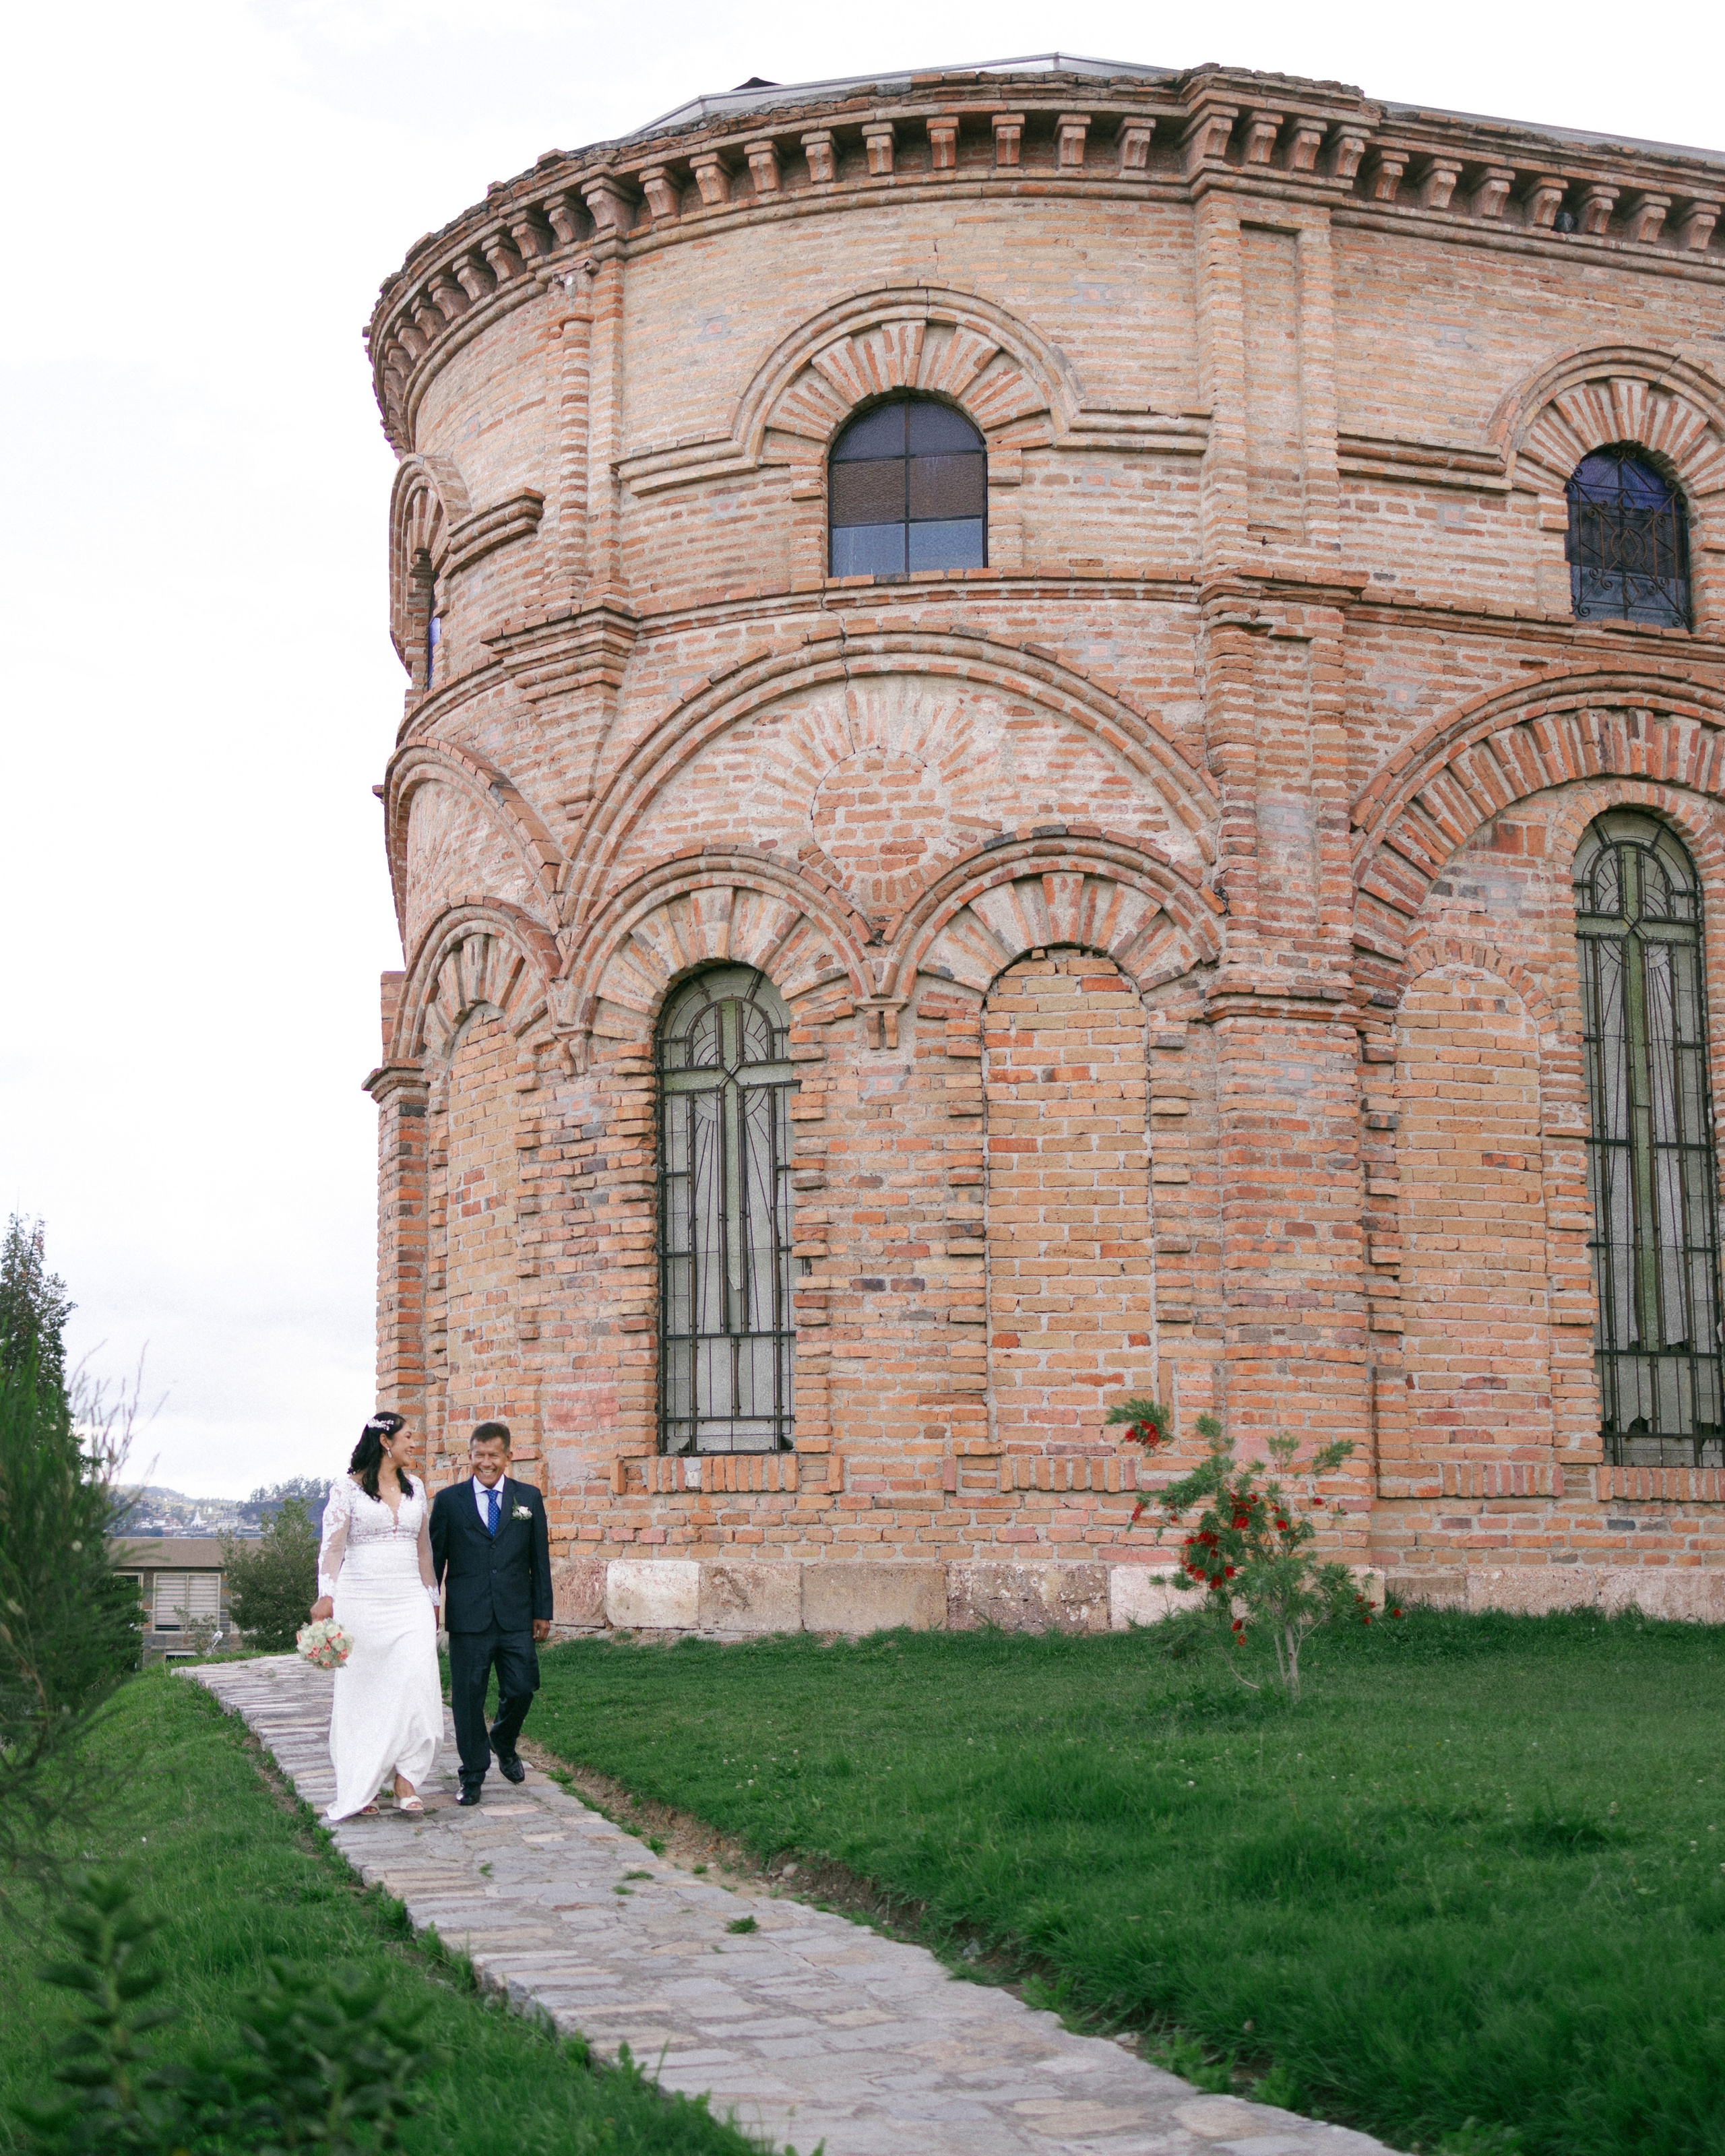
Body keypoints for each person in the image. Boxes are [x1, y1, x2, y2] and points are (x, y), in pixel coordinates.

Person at [309, 1409, 443, 1821]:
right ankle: (362, 1784)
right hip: (361, 1600)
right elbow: (332, 1548)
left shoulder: (416, 1487)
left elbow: (424, 1549)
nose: (413, 1443)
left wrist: (433, 1598)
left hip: (409, 1600)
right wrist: (325, 1598)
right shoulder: (346, 1490)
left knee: (418, 1683)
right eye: (407, 1437)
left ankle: (407, 1779)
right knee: (364, 1695)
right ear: (386, 1442)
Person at [429, 1421, 553, 1806]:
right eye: (479, 1455)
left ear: (508, 1457)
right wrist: (428, 1607)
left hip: (516, 1614)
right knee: (468, 1698)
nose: (486, 1463)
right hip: (469, 1618)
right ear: (470, 1456)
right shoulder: (450, 1501)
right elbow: (435, 1560)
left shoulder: (528, 1498)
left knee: (522, 1687)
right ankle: (472, 1775)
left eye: (493, 1455)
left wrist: (542, 1611)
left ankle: (503, 1738)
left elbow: (539, 1560)